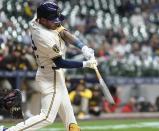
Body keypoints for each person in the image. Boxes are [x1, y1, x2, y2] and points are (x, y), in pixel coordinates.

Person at [0, 2, 97, 131]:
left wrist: (82, 47)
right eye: (52, 20)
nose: (56, 23)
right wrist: (86, 64)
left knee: (68, 115)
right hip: (50, 76)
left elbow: (63, 32)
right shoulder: (44, 37)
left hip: (54, 74)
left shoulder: (40, 19)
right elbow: (61, 63)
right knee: (47, 117)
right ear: (43, 20)